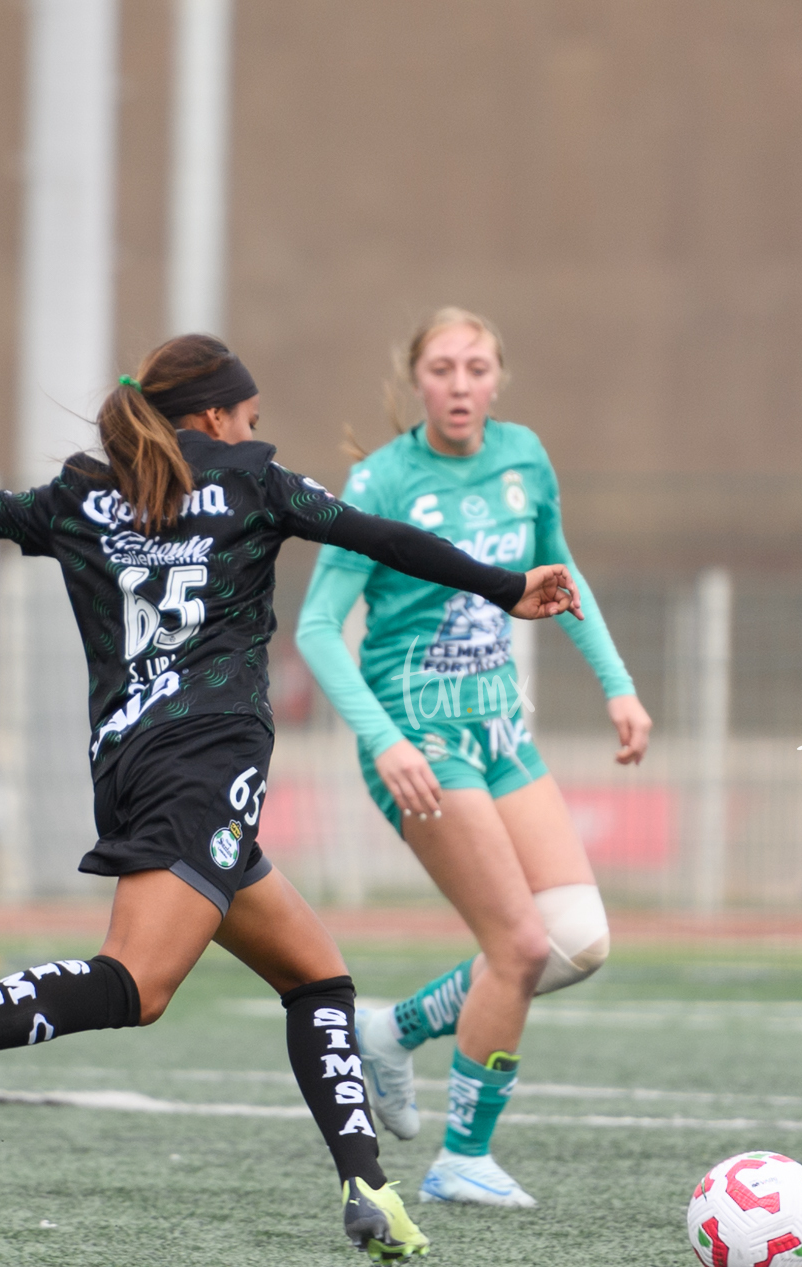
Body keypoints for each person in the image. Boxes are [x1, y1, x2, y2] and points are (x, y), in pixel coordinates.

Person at [0, 334, 584, 1263]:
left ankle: (367, 1188)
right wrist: (505, 585)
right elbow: (382, 539)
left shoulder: (82, 495)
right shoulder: (256, 480)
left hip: (136, 768)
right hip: (203, 769)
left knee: (317, 978)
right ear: (214, 415)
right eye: (250, 412)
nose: (257, 428)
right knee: (136, 983)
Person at [296, 308, 650, 1208]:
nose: (460, 384)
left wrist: (617, 684)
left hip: (500, 732)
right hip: (421, 742)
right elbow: (314, 628)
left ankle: (392, 1030)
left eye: (477, 367)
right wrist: (383, 739)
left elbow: (558, 573)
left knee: (580, 940)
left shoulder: (524, 457)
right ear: (416, 380)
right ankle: (461, 1160)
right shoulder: (379, 482)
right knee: (520, 946)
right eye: (444, 368)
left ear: (499, 378)